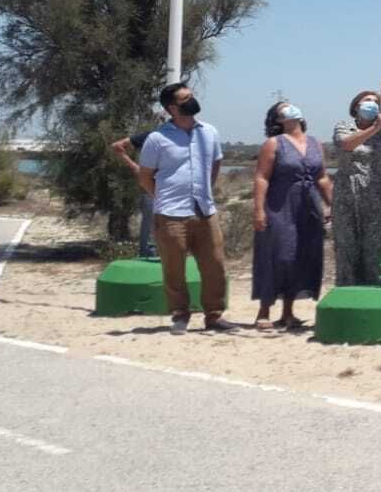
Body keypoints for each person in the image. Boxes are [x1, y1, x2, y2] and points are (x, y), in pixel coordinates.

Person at [135, 81, 231, 334]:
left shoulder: (209, 132)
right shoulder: (157, 139)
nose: (192, 101)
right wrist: (162, 197)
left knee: (215, 265)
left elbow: (216, 163)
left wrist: (205, 190)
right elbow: (145, 176)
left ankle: (214, 315)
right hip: (171, 214)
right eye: (185, 99)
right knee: (173, 267)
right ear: (171, 108)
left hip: (204, 210)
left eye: (192, 96)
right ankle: (180, 314)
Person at [252, 101, 333, 330]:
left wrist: (331, 204)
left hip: (308, 208)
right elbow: (261, 177)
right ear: (278, 119)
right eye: (283, 109)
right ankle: (264, 310)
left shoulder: (316, 143)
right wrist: (258, 210)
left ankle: (288, 312)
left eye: (292, 105)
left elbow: (323, 177)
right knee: (278, 255)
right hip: (279, 206)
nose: (291, 109)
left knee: (301, 256)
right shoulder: (273, 144)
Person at [332, 81, 381, 287]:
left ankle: (376, 287)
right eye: (366, 100)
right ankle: (348, 289)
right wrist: (373, 127)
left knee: (377, 243)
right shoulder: (344, 126)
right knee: (347, 243)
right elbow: (347, 144)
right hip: (347, 193)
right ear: (356, 106)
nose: (371, 103)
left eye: (375, 102)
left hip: (376, 192)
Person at [110, 123, 163, 259]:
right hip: (151, 187)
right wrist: (135, 167)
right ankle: (148, 257)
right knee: (151, 224)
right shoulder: (151, 136)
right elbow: (117, 146)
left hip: (170, 189)